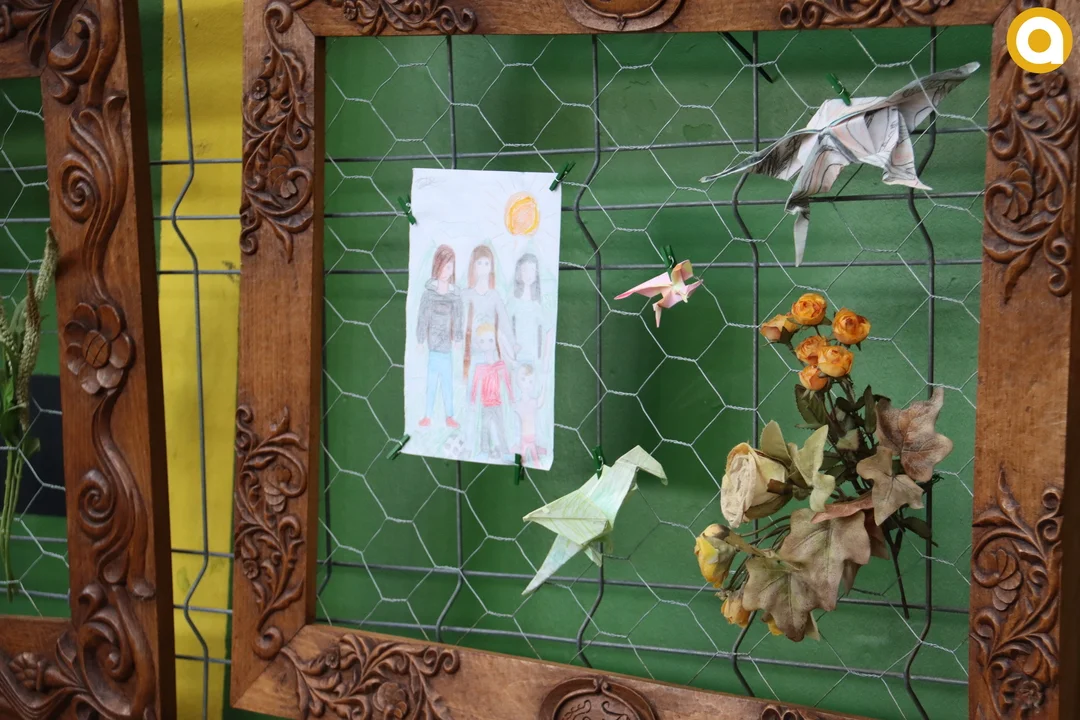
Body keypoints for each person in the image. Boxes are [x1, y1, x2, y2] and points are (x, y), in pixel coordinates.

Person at [415, 244, 462, 428]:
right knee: (432, 382)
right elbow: (423, 316)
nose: (446, 271)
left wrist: (457, 337)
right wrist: (420, 339)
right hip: (433, 346)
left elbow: (458, 316)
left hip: (447, 347)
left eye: (449, 267)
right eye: (443, 266)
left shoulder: (454, 294)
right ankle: (427, 415)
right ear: (437, 266)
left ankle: (449, 416)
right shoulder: (429, 293)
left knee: (447, 383)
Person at [462, 245, 513, 381]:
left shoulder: (494, 296)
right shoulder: (466, 295)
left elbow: (504, 321)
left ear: (491, 267)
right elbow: (459, 320)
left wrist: (512, 341)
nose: (483, 267)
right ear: (473, 266)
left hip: (491, 350)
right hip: (471, 350)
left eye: (486, 263)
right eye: (479, 263)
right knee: (472, 384)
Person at [470, 324, 513, 459]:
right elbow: (474, 386)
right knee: (484, 428)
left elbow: (508, 383)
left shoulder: (500, 366)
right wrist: (472, 401)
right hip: (485, 404)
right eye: (482, 341)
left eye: (490, 340)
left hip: (497, 403)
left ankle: (505, 452)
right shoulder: (480, 368)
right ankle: (484, 451)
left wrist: (511, 398)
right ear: (478, 343)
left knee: (500, 427)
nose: (487, 345)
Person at [509, 253, 544, 364]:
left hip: (534, 353)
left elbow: (545, 329)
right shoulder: (514, 301)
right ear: (519, 272)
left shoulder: (538, 304)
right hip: (517, 354)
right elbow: (505, 326)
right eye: (525, 270)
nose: (528, 274)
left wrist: (543, 358)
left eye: (532, 270)